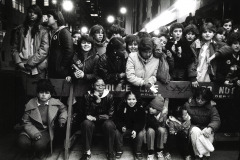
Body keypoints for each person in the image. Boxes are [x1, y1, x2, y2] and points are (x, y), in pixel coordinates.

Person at [17, 79, 67, 159]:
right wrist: (34, 133)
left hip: (45, 130)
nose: (44, 95)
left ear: (50, 94)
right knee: (22, 142)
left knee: (39, 145)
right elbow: (25, 121)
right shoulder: (30, 103)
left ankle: (39, 152)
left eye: (47, 93)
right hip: (30, 129)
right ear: (37, 93)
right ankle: (29, 153)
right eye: (41, 92)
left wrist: (62, 119)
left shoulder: (55, 102)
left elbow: (64, 110)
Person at [80, 78, 116, 160]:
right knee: (86, 123)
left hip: (104, 122)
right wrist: (96, 102)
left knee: (110, 124)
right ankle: (87, 152)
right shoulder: (87, 96)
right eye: (98, 85)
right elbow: (85, 113)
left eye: (103, 85)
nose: (101, 87)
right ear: (93, 86)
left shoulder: (109, 96)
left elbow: (110, 115)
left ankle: (110, 152)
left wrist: (96, 118)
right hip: (91, 123)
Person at [11, 4, 49, 79]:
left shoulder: (43, 30)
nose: (32, 14)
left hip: (37, 67)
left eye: (35, 13)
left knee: (39, 89)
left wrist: (30, 63)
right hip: (22, 66)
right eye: (30, 12)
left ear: (38, 15)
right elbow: (14, 48)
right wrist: (19, 63)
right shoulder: (20, 29)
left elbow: (44, 50)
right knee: (23, 90)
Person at [184, 87, 221, 160]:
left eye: (202, 100)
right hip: (193, 127)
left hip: (206, 127)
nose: (199, 101)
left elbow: (216, 120)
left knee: (207, 134)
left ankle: (204, 156)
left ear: (207, 100)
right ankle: (198, 156)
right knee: (195, 131)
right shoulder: (188, 105)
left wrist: (210, 128)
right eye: (198, 98)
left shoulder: (211, 107)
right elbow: (182, 115)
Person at [114, 91, 146, 160]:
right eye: (129, 99)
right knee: (117, 132)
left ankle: (138, 151)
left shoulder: (140, 109)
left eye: (133, 99)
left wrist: (136, 130)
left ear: (136, 100)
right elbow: (117, 119)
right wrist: (121, 126)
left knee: (141, 134)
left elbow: (141, 122)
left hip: (134, 129)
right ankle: (119, 150)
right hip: (125, 129)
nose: (131, 101)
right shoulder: (122, 107)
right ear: (125, 100)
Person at [47, 10, 74, 78]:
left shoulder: (63, 32)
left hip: (60, 72)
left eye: (49, 16)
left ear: (56, 18)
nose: (47, 18)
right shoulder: (51, 32)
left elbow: (69, 51)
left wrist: (61, 67)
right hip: (52, 70)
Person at [145, 95, 170, 160]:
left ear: (158, 110)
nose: (150, 109)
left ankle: (159, 151)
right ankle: (150, 153)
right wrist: (155, 120)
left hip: (159, 130)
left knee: (162, 130)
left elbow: (163, 127)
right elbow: (149, 124)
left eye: (153, 108)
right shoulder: (148, 113)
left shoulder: (162, 114)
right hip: (150, 129)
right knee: (151, 131)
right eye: (150, 107)